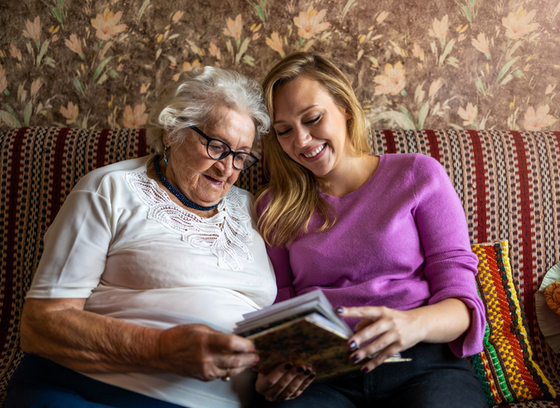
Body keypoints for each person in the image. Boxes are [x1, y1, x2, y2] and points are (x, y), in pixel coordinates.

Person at [5, 66, 281, 408]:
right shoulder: (108, 190)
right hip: (89, 391)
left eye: (241, 156)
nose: (227, 169)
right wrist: (162, 350)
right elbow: (40, 325)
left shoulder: (253, 209)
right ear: (172, 131)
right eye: (216, 146)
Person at [252, 52, 487, 407]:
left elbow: (462, 305)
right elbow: (279, 304)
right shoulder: (274, 205)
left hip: (422, 362)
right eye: (285, 131)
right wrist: (269, 369)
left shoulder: (419, 175)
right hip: (321, 377)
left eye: (312, 118)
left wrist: (411, 325)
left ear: (345, 108)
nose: (301, 141)